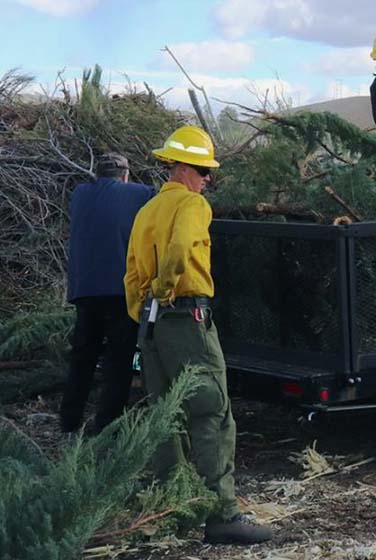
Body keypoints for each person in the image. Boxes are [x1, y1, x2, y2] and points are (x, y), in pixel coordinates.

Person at [124, 125, 273, 545]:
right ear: (186, 169)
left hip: (152, 329)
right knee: (210, 411)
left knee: (165, 417)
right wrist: (168, 289)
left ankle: (174, 509)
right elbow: (180, 249)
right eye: (205, 171)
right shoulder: (192, 205)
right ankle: (222, 514)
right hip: (187, 320)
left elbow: (132, 273)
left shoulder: (147, 211)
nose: (208, 179)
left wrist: (145, 311)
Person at [60, 152, 154, 435]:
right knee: (119, 361)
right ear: (125, 175)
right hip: (120, 290)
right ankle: (106, 426)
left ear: (97, 174)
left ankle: (69, 422)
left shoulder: (79, 194)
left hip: (85, 290)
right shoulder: (141, 193)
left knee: (83, 357)